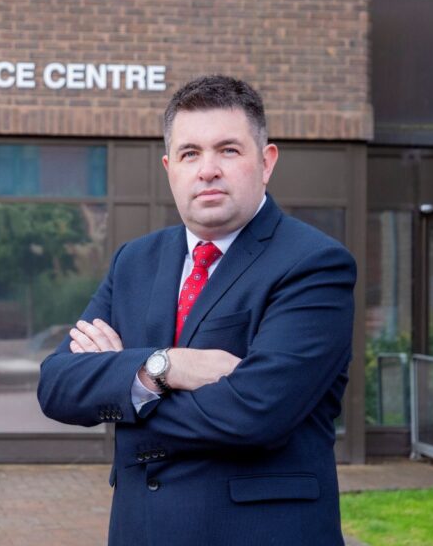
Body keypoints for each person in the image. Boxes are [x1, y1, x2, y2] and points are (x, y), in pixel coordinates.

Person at [37, 75, 356, 545]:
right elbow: (57, 385)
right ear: (170, 168)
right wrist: (164, 367)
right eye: (190, 153)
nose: (207, 169)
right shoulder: (135, 262)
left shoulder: (313, 264)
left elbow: (255, 413)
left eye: (228, 150)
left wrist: (122, 396)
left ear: (266, 162)